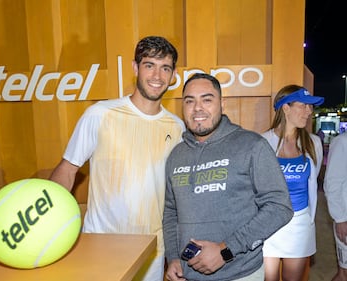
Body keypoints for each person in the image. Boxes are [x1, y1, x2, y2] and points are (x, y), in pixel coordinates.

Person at [49, 36, 185, 281]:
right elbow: (68, 170)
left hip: (152, 249)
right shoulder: (100, 114)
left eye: (165, 68)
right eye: (149, 65)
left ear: (173, 74)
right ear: (135, 68)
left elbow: (179, 197)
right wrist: (47, 221)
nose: (157, 76)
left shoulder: (178, 128)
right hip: (101, 244)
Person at [163, 73, 293, 281]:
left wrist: (226, 250)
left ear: (222, 104)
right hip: (187, 275)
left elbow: (280, 207)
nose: (197, 108)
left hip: (239, 274)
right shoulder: (176, 155)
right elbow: (171, 212)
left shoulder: (252, 145)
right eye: (190, 101)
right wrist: (172, 257)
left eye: (207, 99)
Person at [261, 85, 325, 281]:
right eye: (304, 106)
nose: (309, 111)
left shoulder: (313, 143)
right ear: (285, 108)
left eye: (311, 107)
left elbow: (312, 184)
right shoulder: (262, 142)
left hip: (299, 224)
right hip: (269, 224)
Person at [324, 132, 347, 281]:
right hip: (345, 215)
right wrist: (340, 218)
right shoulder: (342, 142)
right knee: (344, 274)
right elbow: (332, 183)